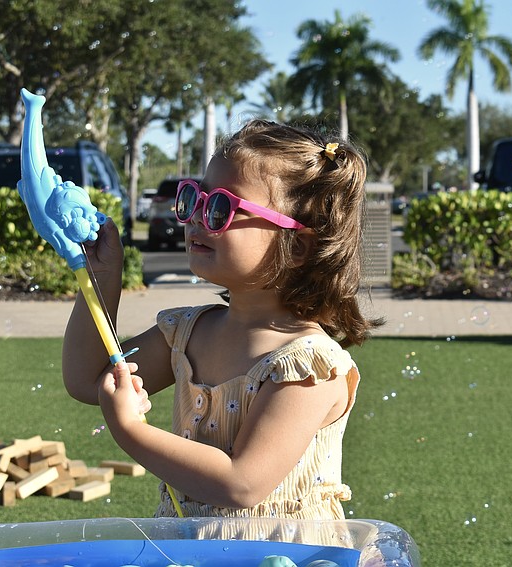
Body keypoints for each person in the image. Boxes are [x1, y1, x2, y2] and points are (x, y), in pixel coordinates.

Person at [62, 120, 383, 524]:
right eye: (194, 198)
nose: (196, 217)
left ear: (296, 244)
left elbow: (241, 485)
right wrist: (101, 278)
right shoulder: (186, 333)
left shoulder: (307, 366)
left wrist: (130, 429)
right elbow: (89, 379)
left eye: (220, 207)